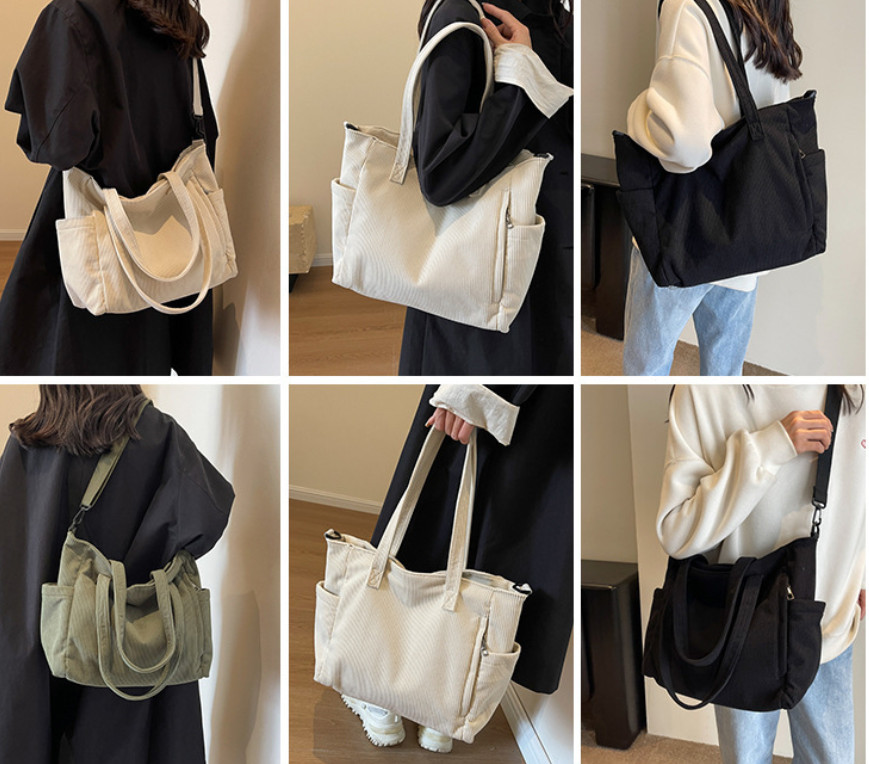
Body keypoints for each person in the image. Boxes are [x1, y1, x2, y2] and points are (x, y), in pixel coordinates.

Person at [0, 385, 234, 763]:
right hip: (131, 660)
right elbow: (209, 517)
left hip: (33, 648)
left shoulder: (28, 442)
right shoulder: (158, 436)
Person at [342, 384, 572, 752]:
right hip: (555, 409)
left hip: (496, 376)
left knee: (436, 503)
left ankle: (377, 690)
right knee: (510, 520)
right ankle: (444, 705)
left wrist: (475, 387)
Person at [1, 0, 220, 375]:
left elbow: (58, 146)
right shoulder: (179, 20)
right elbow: (204, 134)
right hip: (174, 244)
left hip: (98, 244)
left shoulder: (74, 16)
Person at [658, 385, 865, 763]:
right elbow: (676, 532)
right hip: (739, 627)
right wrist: (770, 447)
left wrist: (862, 572)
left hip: (829, 620)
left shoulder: (856, 389)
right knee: (746, 758)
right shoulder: (703, 394)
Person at [622, 0, 804, 375]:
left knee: (646, 368)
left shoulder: (685, 7)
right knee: (724, 374)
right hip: (747, 232)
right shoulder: (766, 7)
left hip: (682, 230)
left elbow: (685, 144)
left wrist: (639, 113)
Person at [399, 0, 573, 375]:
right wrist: (520, 69)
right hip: (483, 274)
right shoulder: (462, 15)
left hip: (548, 257)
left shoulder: (556, 17)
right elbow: (440, 174)